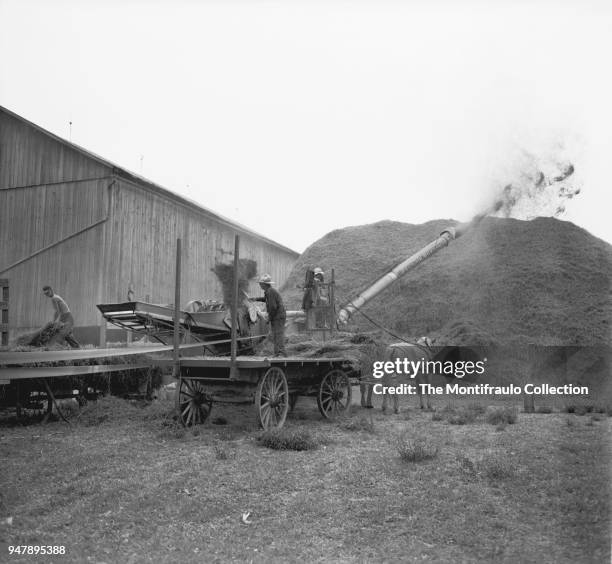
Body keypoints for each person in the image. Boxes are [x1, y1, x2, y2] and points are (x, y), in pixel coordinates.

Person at [252, 274, 286, 356]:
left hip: (278, 316)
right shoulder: (269, 291)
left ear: (264, 284)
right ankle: (278, 353)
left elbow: (273, 307)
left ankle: (280, 353)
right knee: (276, 334)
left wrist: (269, 318)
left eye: (260, 284)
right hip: (277, 316)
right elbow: (266, 299)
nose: (260, 285)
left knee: (278, 334)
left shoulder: (270, 292)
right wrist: (255, 299)